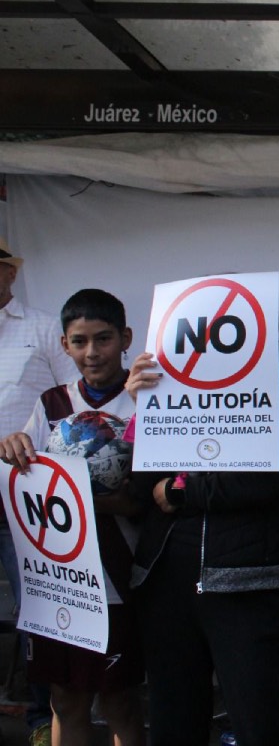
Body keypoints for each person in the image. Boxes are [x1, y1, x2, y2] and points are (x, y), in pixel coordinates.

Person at [125, 341, 279, 746]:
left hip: (247, 579)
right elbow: (143, 482)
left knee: (260, 721)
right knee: (172, 721)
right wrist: (143, 406)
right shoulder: (168, 375)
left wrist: (182, 491)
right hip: (167, 575)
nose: (210, 334)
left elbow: (266, 474)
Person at [0, 288, 145, 746]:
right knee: (65, 698)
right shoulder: (51, 404)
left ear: (125, 338)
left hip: (118, 577)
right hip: (61, 575)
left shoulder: (148, 400)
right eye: (79, 341)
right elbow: (27, 480)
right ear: (63, 345)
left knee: (119, 700)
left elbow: (147, 499)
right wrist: (11, 450)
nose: (91, 352)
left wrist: (98, 499)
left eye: (102, 339)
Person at [0, 237, 75, 746]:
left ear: (8, 274)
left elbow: (78, 405)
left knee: (39, 607)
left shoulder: (45, 328)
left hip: (26, 493)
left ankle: (41, 721)